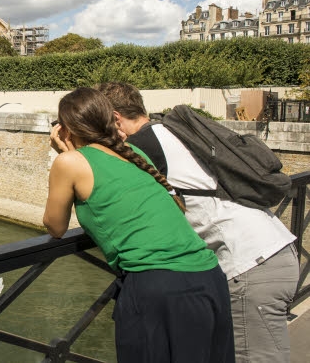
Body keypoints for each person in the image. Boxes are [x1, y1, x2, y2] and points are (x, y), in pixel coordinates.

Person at [97, 81, 298, 363]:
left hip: (248, 264)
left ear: (115, 118)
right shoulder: (172, 131)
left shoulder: (142, 147)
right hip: (271, 250)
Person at [44, 87, 234, 363]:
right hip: (209, 277)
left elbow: (55, 226)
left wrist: (62, 155)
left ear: (66, 128)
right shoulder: (133, 152)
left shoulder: (69, 162)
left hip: (157, 287)